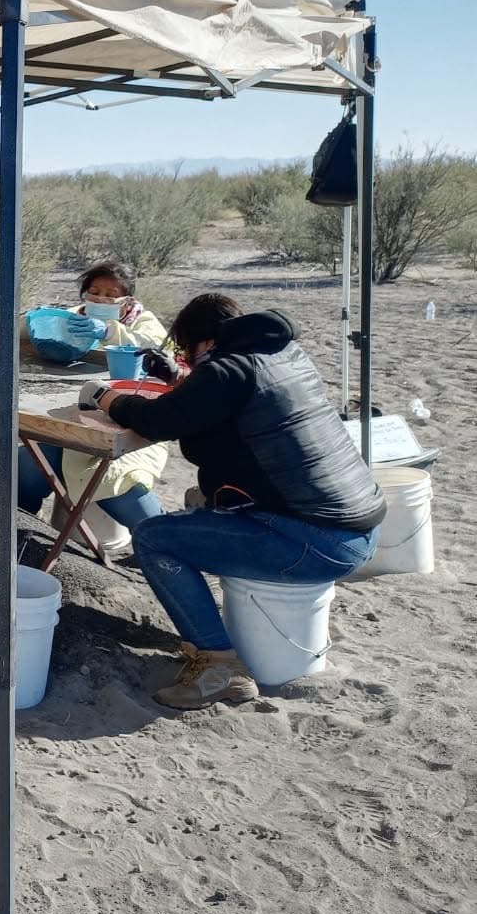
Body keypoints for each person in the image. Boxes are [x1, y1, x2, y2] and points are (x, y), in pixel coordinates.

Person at [85, 294, 384, 709]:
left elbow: (157, 420)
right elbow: (222, 405)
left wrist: (105, 397)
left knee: (155, 537)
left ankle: (219, 667)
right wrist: (181, 380)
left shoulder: (226, 370)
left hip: (313, 542)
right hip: (356, 530)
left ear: (205, 343)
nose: (188, 360)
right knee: (200, 501)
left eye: (187, 350)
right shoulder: (280, 355)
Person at [18, 261, 169, 536]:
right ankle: (19, 527)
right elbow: (24, 330)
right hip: (71, 424)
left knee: (120, 484)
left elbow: (156, 348)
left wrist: (111, 332)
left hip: (127, 429)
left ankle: (165, 541)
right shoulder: (75, 317)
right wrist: (39, 319)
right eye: (95, 292)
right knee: (25, 464)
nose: (101, 299)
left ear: (127, 300)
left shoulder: (143, 322)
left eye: (111, 295)